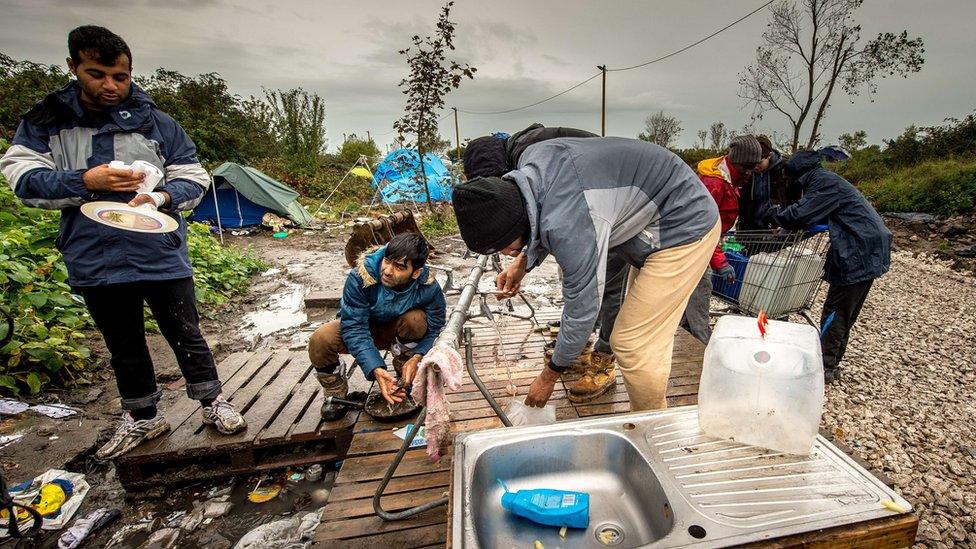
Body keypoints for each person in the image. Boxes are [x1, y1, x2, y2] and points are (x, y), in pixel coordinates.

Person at [0, 26, 246, 460]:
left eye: (120, 76)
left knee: (186, 331)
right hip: (93, 251)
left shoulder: (157, 123)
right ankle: (145, 417)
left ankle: (212, 402)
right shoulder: (47, 122)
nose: (110, 86)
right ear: (73, 68)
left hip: (159, 249)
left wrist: (161, 196)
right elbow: (22, 179)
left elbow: (194, 176)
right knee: (123, 343)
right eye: (97, 74)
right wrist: (84, 181)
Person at [453, 137, 720, 411]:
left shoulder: (572, 225)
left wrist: (550, 374)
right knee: (646, 336)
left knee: (633, 343)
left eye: (505, 248)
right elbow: (543, 209)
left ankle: (650, 428)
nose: (507, 254)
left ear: (514, 226)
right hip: (648, 216)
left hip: (683, 224)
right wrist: (524, 259)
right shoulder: (533, 162)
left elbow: (583, 308)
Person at [463, 124, 620, 402]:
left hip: (614, 215)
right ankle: (578, 342)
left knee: (604, 289)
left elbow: (558, 220)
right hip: (585, 214)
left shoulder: (532, 158)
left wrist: (550, 375)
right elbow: (546, 223)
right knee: (575, 280)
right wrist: (523, 262)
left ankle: (604, 360)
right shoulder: (523, 159)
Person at [760, 151, 892, 382]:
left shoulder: (823, 184)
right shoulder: (827, 180)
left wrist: (771, 213)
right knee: (846, 312)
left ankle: (824, 367)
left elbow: (801, 214)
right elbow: (815, 216)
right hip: (868, 246)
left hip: (858, 249)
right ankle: (831, 362)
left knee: (836, 311)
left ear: (799, 175)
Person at [308, 233, 446, 419]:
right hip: (363, 329)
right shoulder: (360, 277)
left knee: (416, 320)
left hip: (398, 332)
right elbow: (354, 328)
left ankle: (405, 373)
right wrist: (375, 368)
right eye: (387, 261)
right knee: (320, 339)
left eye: (399, 267)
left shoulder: (428, 286)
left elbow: (436, 326)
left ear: (416, 273)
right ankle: (336, 395)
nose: (388, 271)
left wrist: (418, 356)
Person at [680, 135, 763, 343]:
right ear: (736, 162)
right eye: (747, 166)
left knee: (689, 292)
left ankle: (684, 332)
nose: (750, 172)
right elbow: (702, 227)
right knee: (701, 288)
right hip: (693, 246)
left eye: (753, 167)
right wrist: (720, 262)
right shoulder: (714, 183)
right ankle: (702, 342)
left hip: (702, 244)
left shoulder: (729, 178)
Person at [737, 135, 784, 231]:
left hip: (773, 227)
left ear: (769, 156)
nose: (755, 166)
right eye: (753, 163)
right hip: (749, 228)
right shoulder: (748, 171)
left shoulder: (783, 170)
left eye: (759, 162)